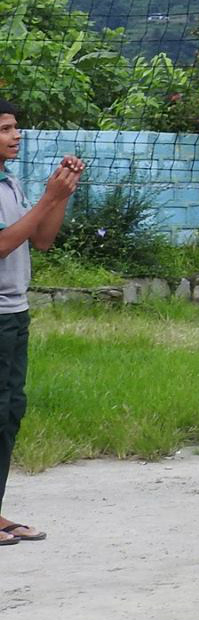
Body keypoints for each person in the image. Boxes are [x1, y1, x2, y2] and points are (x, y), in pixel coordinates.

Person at [0, 102, 83, 547]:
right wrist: (48, 197)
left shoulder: (9, 181)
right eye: (5, 129)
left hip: (14, 313)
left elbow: (42, 239)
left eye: (15, 128)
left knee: (9, 412)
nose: (16, 135)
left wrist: (62, 192)